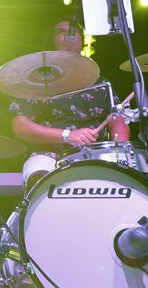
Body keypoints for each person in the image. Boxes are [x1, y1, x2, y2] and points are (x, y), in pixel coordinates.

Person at [9, 19, 129, 188]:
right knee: (38, 173)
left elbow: (117, 120)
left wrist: (119, 151)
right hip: (50, 156)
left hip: (97, 156)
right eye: (61, 32)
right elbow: (20, 127)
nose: (69, 36)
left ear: (83, 41)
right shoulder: (36, 82)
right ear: (51, 41)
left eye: (74, 31)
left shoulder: (100, 82)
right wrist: (67, 135)